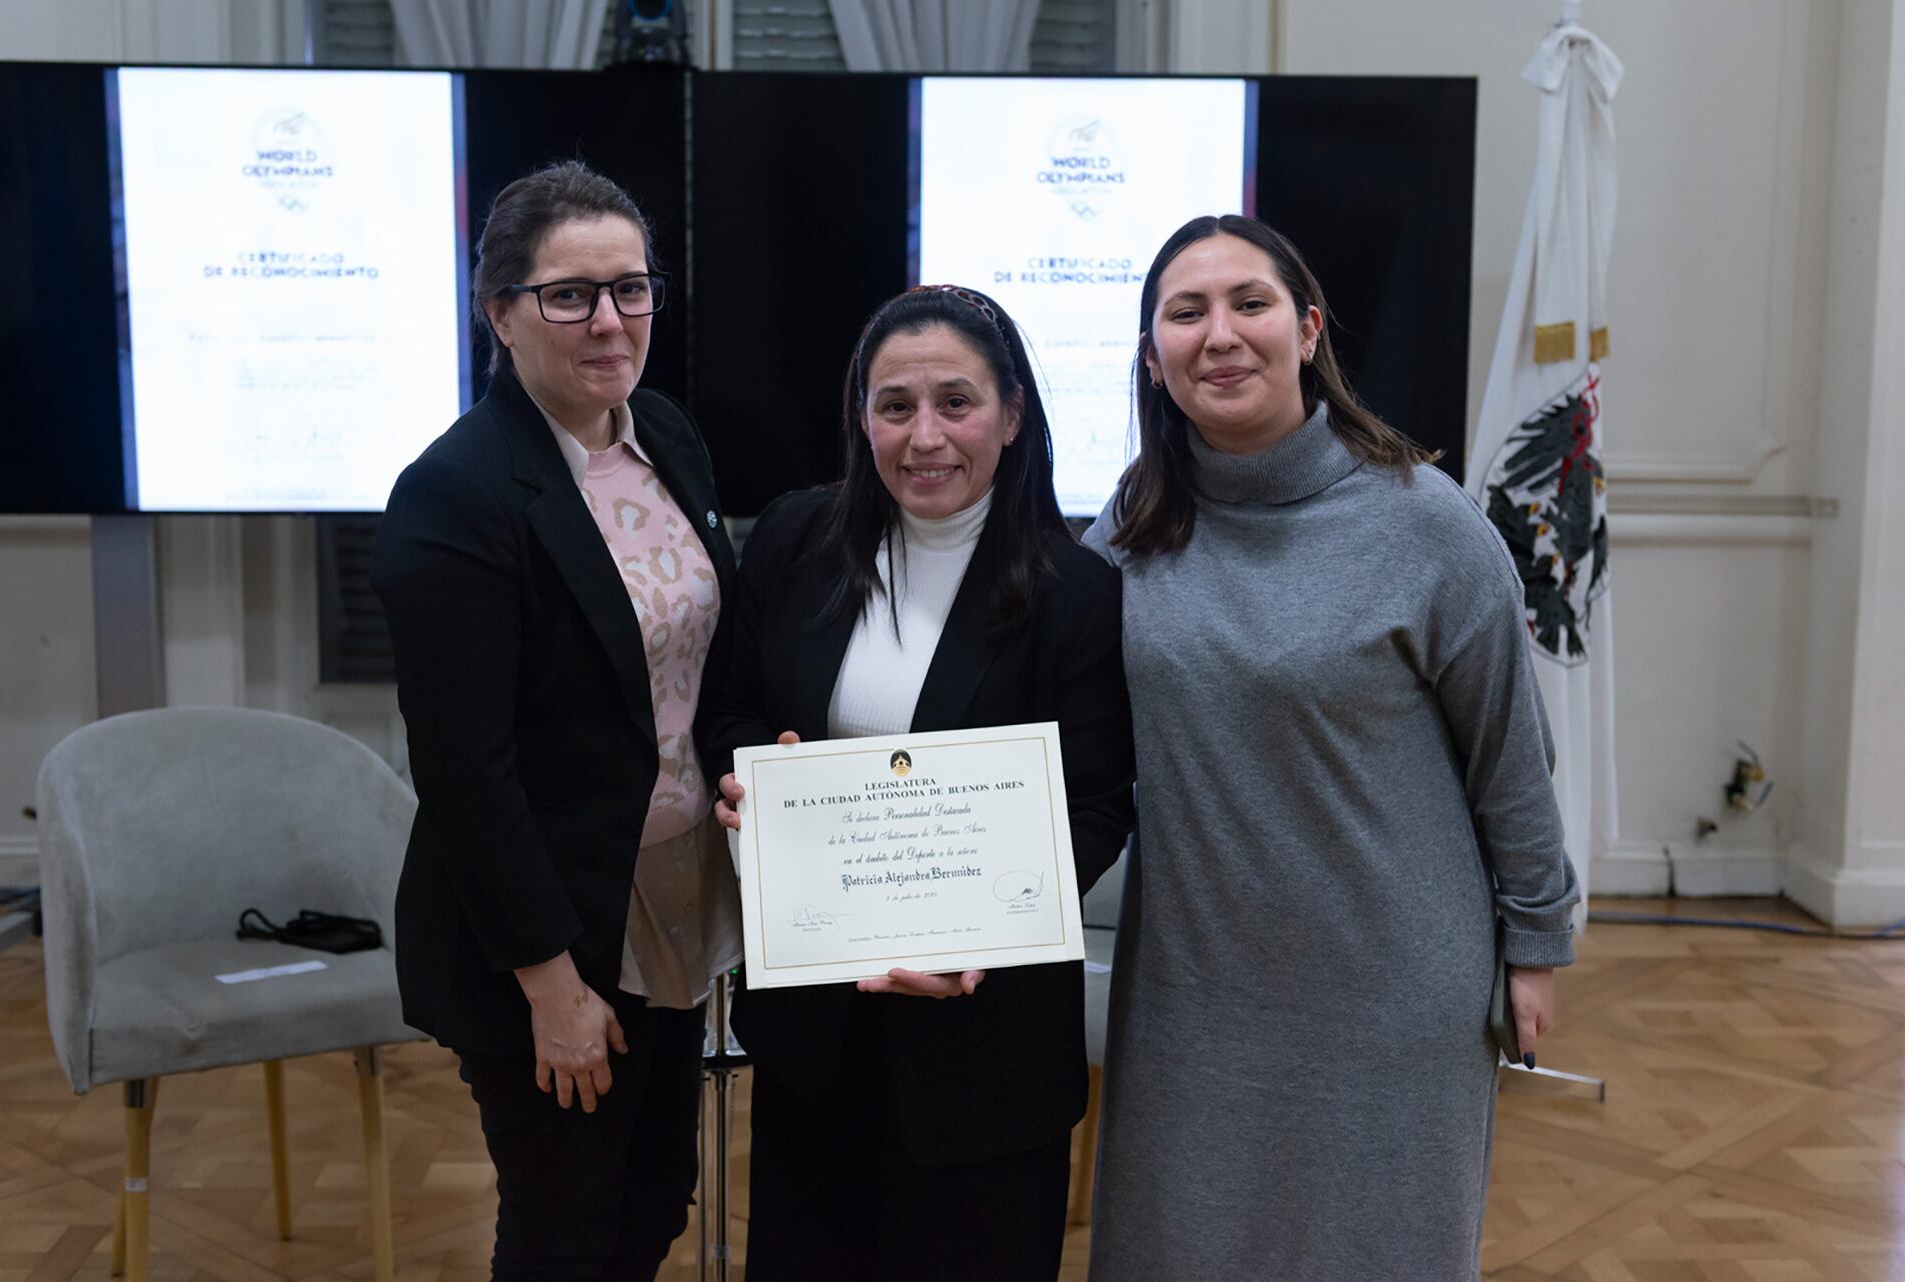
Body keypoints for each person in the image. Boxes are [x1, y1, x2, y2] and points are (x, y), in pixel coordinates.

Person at [1083, 214, 1581, 1281]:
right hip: (1194, 999)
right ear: (1152, 358)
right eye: (1186, 312)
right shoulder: (1129, 528)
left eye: (1248, 303)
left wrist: (1537, 942)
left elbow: (1512, 758)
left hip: (1391, 996)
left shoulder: (1429, 527)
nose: (1220, 334)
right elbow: (1048, 727)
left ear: (1307, 330)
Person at [701, 285, 1136, 1282]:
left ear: (1014, 415)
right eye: (896, 405)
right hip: (817, 1030)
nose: (924, 436)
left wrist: (981, 931)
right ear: (861, 416)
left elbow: (1097, 804)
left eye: (957, 402)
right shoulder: (793, 542)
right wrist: (744, 784)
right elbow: (728, 711)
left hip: (985, 1042)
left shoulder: (1079, 594)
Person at [371, 160, 741, 1282]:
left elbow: (696, 662)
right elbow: (467, 771)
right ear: (500, 311)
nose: (610, 321)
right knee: (566, 1225)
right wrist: (552, 985)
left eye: (630, 288)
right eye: (569, 295)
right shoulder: (457, 494)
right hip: (549, 927)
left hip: (675, 891)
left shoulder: (665, 434)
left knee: (652, 1199)